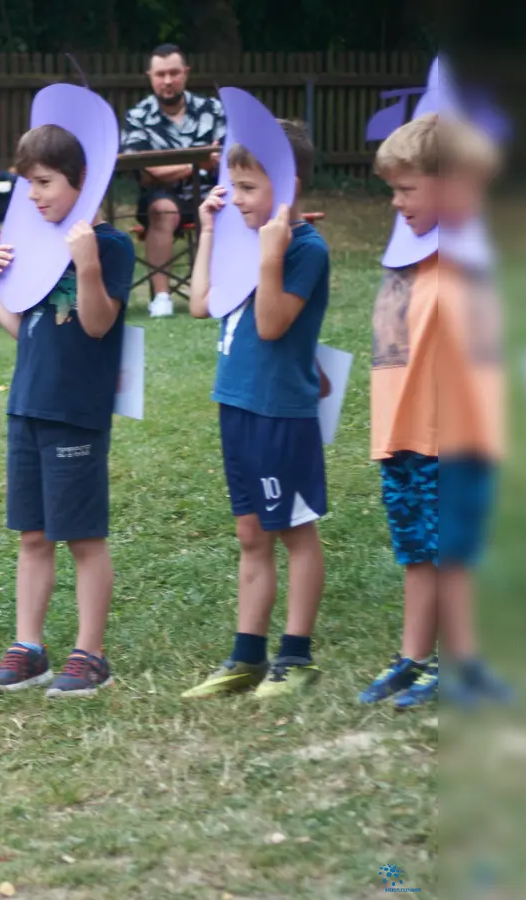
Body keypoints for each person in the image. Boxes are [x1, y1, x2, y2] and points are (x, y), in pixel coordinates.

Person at [0, 124, 135, 698]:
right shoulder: (36, 244)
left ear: (81, 182)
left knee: (83, 536)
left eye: (44, 183)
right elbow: (30, 331)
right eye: (28, 185)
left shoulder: (109, 245)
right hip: (27, 408)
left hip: (75, 413)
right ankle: (29, 647)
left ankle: (91, 653)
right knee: (33, 534)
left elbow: (96, 323)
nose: (35, 195)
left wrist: (87, 264)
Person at [358, 114, 512, 709]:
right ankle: (413, 657)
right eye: (392, 190)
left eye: (407, 189)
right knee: (417, 553)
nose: (397, 203)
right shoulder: (409, 257)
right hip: (400, 432)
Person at [182, 121, 330, 699]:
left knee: (294, 531)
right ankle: (247, 657)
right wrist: (211, 232)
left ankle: (296, 657)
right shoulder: (243, 238)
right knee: (250, 535)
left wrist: (271, 256)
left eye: (247, 187)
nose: (235, 197)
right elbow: (199, 304)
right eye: (232, 185)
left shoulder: (304, 250)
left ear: (287, 186)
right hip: (236, 406)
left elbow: (271, 325)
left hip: (279, 414)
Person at [121, 43, 226, 318]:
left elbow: (227, 156)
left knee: (233, 206)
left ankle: (224, 288)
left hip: (210, 191)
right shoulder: (137, 117)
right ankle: (162, 297)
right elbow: (144, 169)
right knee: (161, 210)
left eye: (174, 73)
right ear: (150, 76)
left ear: (186, 73)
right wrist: (197, 163)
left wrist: (174, 165)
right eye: (160, 74)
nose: (167, 81)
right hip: (161, 196)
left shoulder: (213, 110)